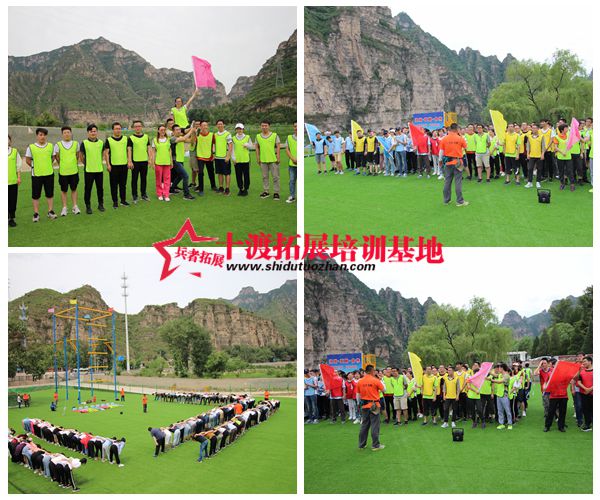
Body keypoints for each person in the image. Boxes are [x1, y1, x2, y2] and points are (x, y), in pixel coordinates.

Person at [25, 127, 57, 222]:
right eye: (40, 135)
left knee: (49, 194)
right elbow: (27, 160)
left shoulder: (50, 146)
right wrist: (35, 167)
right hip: (36, 175)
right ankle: (36, 213)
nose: (43, 137)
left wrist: (46, 165)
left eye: (44, 135)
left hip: (49, 174)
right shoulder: (31, 147)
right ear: (37, 136)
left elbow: (53, 158)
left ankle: (50, 211)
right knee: (36, 195)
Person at [439, 123, 469, 207]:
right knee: (458, 181)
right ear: (457, 129)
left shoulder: (444, 138)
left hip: (448, 162)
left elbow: (441, 151)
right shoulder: (460, 138)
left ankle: (446, 200)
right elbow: (466, 147)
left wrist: (440, 161)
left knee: (447, 181)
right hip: (458, 161)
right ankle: (460, 201)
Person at [53, 126, 80, 216]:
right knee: (64, 190)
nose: (67, 134)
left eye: (68, 132)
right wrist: (63, 164)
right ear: (62, 134)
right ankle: (64, 207)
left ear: (71, 133)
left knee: (74, 189)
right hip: (63, 172)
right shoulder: (58, 145)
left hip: (74, 171)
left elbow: (77, 155)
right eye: (65, 133)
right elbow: (57, 157)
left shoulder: (76, 144)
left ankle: (75, 206)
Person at [356, 364, 385, 450]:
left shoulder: (360, 381)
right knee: (375, 425)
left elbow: (358, 395)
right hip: (374, 405)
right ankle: (375, 445)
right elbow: (384, 390)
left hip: (364, 405)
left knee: (364, 425)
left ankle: (362, 444)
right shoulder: (375, 380)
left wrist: (359, 404)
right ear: (372, 371)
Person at [103, 122, 131, 209]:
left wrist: (129, 161)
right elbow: (106, 153)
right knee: (113, 185)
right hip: (113, 166)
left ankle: (123, 200)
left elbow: (129, 150)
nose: (118, 130)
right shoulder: (109, 140)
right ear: (113, 130)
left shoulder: (126, 139)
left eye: (119, 128)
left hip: (124, 165)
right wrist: (108, 164)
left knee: (123, 184)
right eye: (116, 129)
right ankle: (115, 202)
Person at [79, 124, 105, 215]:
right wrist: (86, 164)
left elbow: (102, 154)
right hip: (89, 170)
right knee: (88, 189)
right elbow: (81, 156)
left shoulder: (101, 142)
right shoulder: (84, 143)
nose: (93, 133)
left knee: (100, 189)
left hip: (99, 170)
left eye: (94, 131)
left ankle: (100, 205)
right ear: (88, 132)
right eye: (91, 131)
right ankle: (88, 206)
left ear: (97, 132)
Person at [169, 124, 196, 200]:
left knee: (180, 176)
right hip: (175, 161)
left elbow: (191, 141)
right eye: (177, 130)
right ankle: (186, 195)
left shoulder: (180, 138)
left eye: (179, 129)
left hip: (180, 160)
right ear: (173, 131)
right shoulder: (173, 139)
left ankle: (171, 189)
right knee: (185, 176)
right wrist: (191, 130)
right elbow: (184, 138)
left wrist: (193, 132)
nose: (179, 131)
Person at [255, 121, 281, 200]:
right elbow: (256, 147)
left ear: (269, 126)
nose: (264, 127)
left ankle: (276, 192)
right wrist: (258, 157)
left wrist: (278, 156)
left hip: (273, 160)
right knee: (264, 177)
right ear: (260, 126)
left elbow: (278, 146)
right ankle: (266, 191)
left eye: (266, 125)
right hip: (263, 160)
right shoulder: (258, 136)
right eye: (262, 126)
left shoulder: (274, 135)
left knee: (275, 177)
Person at [127, 120, 151, 203]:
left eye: (139, 126)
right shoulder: (131, 138)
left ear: (142, 127)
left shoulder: (146, 137)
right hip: (135, 162)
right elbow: (129, 150)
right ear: (133, 128)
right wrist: (129, 161)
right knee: (134, 179)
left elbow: (148, 148)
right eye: (136, 126)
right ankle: (135, 195)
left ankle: (143, 194)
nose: (137, 128)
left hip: (144, 161)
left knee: (144, 179)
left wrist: (150, 159)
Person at [151, 124, 173, 201]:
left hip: (167, 162)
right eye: (161, 130)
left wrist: (171, 161)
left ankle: (166, 194)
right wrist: (152, 162)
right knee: (159, 179)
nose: (163, 131)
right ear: (158, 131)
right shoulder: (154, 140)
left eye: (164, 130)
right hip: (158, 162)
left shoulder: (168, 140)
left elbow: (169, 151)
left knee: (167, 179)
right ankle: (159, 194)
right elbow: (153, 152)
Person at [195, 120, 217, 195]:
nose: (205, 127)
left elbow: (214, 144)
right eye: (203, 125)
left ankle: (213, 186)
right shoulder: (197, 135)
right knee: (200, 173)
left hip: (209, 156)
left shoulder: (211, 135)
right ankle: (201, 189)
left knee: (211, 172)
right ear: (200, 127)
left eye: (206, 125)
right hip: (200, 156)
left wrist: (214, 154)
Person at [231, 123, 253, 197]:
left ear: (243, 129)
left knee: (246, 175)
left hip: (246, 159)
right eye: (238, 129)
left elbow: (251, 146)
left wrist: (247, 145)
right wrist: (233, 158)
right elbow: (232, 149)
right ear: (236, 130)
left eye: (240, 129)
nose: (239, 130)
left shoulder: (247, 137)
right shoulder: (233, 138)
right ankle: (240, 189)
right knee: (238, 175)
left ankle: (246, 189)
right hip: (237, 160)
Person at [553, 123, 575, 191]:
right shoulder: (556, 137)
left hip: (568, 156)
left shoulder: (569, 136)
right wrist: (562, 152)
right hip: (560, 157)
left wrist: (569, 146)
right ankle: (562, 183)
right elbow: (556, 147)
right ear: (562, 130)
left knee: (570, 171)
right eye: (566, 128)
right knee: (561, 171)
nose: (567, 129)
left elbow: (571, 145)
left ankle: (572, 184)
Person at [214, 119, 233, 195]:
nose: (220, 125)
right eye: (218, 124)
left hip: (225, 157)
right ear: (216, 125)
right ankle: (221, 187)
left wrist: (228, 156)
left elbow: (230, 145)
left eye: (221, 124)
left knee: (227, 173)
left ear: (224, 125)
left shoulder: (227, 134)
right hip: (217, 157)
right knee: (219, 173)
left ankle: (227, 188)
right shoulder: (215, 135)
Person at [494, 363, 513, 430]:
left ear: (502, 368)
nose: (498, 369)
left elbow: (500, 381)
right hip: (498, 395)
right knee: (500, 411)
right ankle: (501, 424)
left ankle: (510, 424)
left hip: (504, 395)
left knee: (507, 410)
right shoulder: (499, 375)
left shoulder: (507, 376)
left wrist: (492, 380)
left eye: (499, 368)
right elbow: (493, 374)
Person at [576, 356, 593, 432]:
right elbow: (578, 382)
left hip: (592, 393)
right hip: (584, 393)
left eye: (585, 361)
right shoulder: (582, 371)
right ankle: (587, 424)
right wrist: (586, 389)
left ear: (590, 361)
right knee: (585, 409)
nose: (583, 363)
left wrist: (590, 389)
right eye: (583, 362)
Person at [8, 134, 21, 227]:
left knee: (12, 201)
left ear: (10, 141)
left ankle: (11, 218)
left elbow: (18, 165)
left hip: (12, 181)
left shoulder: (15, 152)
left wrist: (19, 177)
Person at [286, 122, 298, 203]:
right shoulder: (289, 137)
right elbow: (287, 149)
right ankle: (292, 196)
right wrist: (293, 158)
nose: (296, 128)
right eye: (295, 126)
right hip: (292, 164)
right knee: (292, 180)